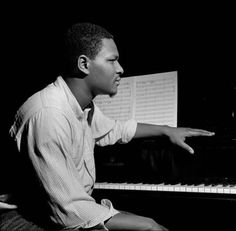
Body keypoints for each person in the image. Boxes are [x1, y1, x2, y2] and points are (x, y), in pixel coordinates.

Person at [0, 22, 215, 231]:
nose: (120, 69)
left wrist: (167, 130)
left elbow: (115, 129)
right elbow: (70, 211)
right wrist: (146, 224)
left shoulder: (82, 106)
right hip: (20, 219)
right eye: (112, 60)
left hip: (62, 210)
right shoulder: (49, 115)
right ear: (84, 64)